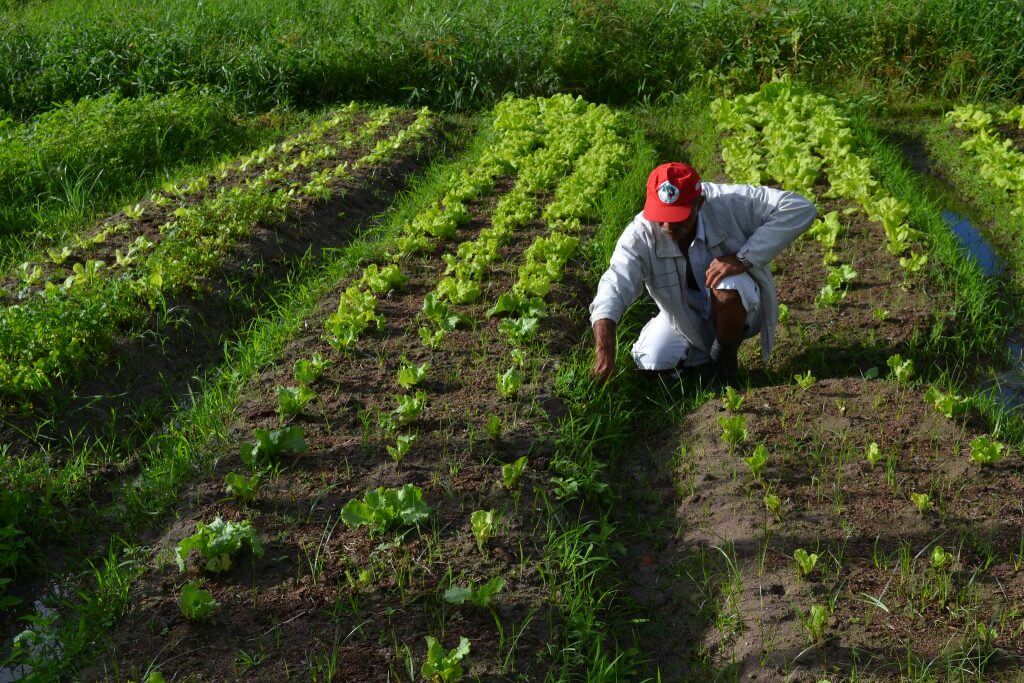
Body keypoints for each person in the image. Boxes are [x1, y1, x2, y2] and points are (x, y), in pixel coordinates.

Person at [589, 162, 817, 384]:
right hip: (684, 316)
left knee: (726, 284)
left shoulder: (731, 203)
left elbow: (800, 208)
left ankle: (723, 363)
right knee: (653, 359)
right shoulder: (640, 235)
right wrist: (604, 350)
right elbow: (614, 287)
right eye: (662, 215)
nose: (668, 226)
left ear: (700, 203)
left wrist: (743, 258)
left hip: (743, 308)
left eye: (678, 217)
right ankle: (700, 365)